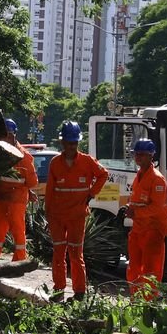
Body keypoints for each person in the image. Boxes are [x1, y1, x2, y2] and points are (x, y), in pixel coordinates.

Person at [45, 120, 109, 299]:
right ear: (62, 142)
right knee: (58, 253)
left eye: (74, 143)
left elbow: (103, 174)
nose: (72, 146)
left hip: (77, 216)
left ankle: (80, 292)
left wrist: (91, 194)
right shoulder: (55, 163)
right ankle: (58, 290)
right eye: (68, 143)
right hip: (57, 216)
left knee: (75, 253)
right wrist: (47, 214)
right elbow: (49, 191)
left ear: (78, 143)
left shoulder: (88, 162)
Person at [0, 118, 38, 266]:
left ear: (12, 136)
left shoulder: (23, 156)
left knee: (17, 230)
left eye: (5, 135)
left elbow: (32, 182)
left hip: (16, 200)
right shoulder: (0, 154)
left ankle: (19, 261)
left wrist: (27, 190)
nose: (2, 139)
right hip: (2, 198)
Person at [121, 138, 167, 298]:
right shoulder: (139, 175)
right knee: (134, 268)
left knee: (150, 271)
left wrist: (135, 213)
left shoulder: (157, 179)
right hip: (138, 229)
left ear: (151, 156)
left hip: (153, 231)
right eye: (136, 154)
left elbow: (157, 207)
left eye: (142, 154)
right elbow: (136, 200)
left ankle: (149, 304)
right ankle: (136, 301)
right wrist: (129, 207)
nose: (138, 157)